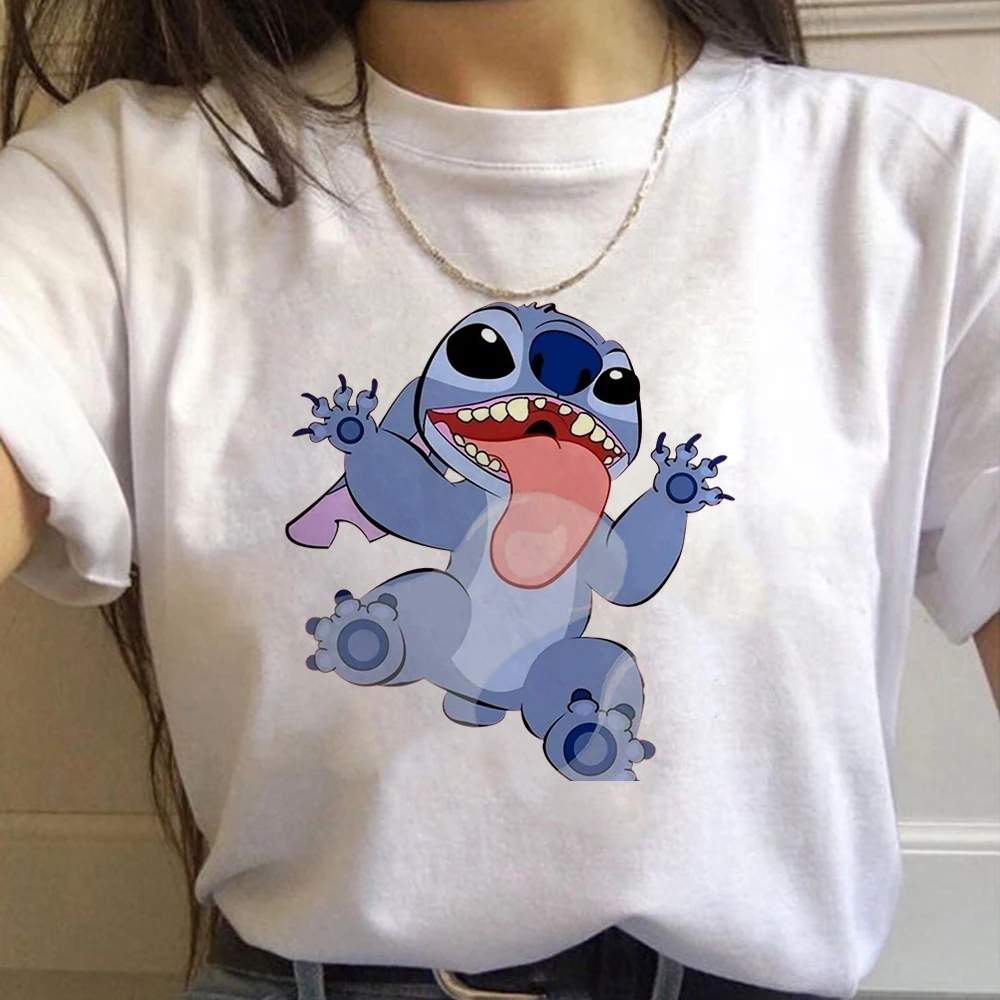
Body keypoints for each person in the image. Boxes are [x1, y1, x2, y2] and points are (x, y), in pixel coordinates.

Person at [0, 0, 997, 998]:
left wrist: (668, 501)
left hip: (689, 913)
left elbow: (628, 570)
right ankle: (383, 633)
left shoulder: (923, 187)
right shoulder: (111, 195)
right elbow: (409, 504)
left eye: (594, 385)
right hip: (322, 945)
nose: (555, 391)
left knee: (593, 664)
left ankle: (580, 720)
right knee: (427, 600)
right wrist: (364, 444)